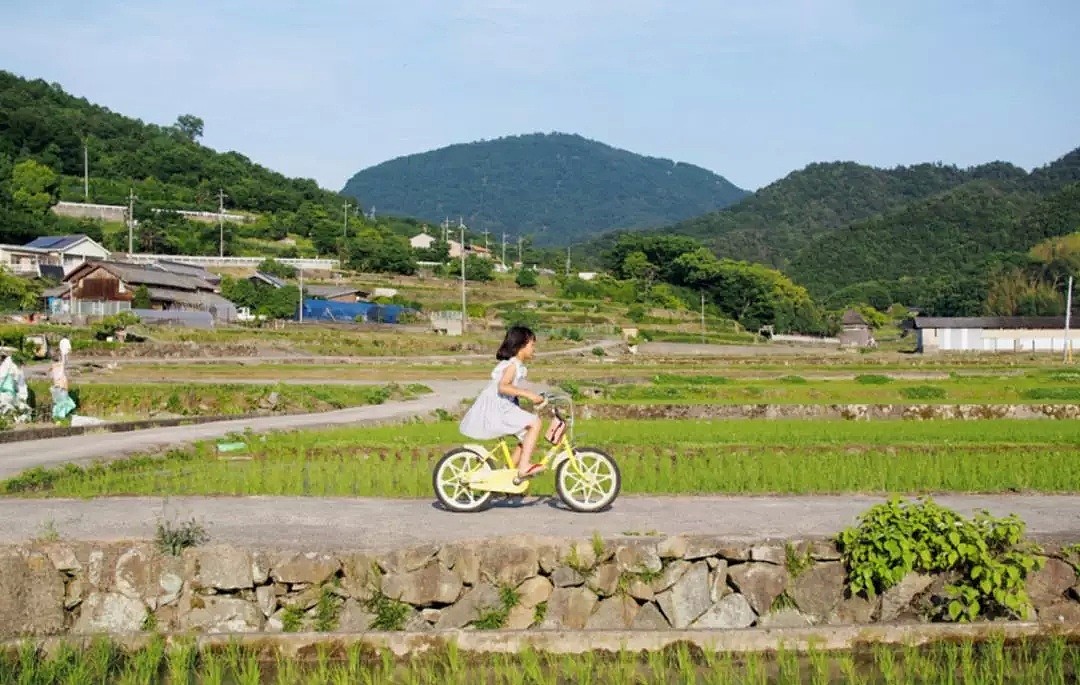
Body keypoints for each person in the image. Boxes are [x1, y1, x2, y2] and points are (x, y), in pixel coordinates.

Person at [459, 326, 548, 479]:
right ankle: (524, 467)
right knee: (536, 423)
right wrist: (528, 395)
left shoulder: (516, 365)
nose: (534, 348)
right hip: (498, 410)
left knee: (527, 435)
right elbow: (503, 386)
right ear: (521, 345)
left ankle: (508, 474)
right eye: (532, 345)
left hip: (503, 407)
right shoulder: (512, 365)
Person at [49, 350, 76, 421]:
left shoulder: (53, 366)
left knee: (59, 403)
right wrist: (63, 351)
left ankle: (57, 417)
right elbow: (64, 360)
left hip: (56, 387)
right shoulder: (61, 365)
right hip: (62, 386)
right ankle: (62, 417)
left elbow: (51, 374)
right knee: (65, 403)